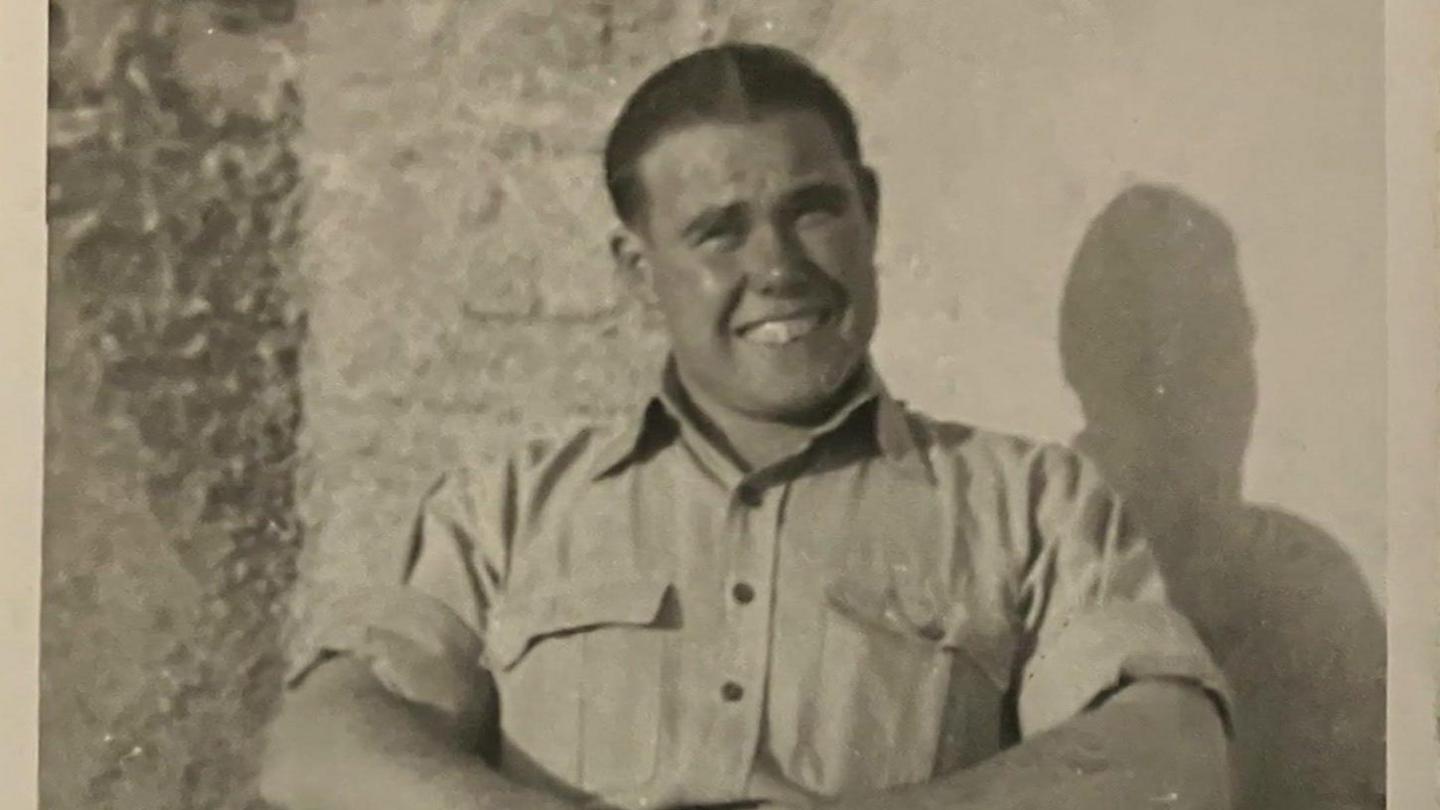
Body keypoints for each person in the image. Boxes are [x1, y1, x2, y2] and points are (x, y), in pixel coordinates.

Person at [260, 43, 1233, 810]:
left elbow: (1173, 757)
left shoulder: (1035, 502)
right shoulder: (506, 509)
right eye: (719, 232)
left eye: (813, 212)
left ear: (871, 214)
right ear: (637, 271)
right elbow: (320, 743)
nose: (777, 267)